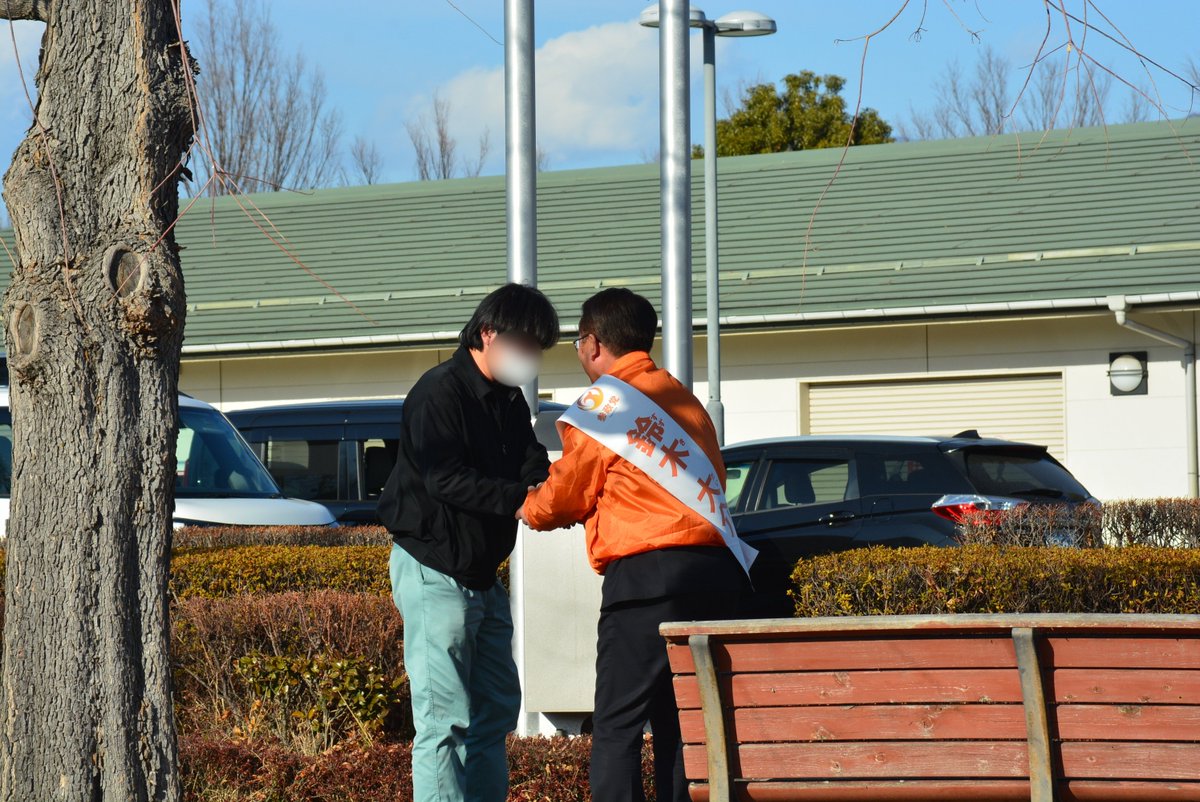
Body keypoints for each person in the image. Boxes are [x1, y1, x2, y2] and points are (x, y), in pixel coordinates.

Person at [518, 288, 754, 802]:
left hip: (647, 578)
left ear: (594, 343)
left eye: (579, 342)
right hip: (715, 574)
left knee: (618, 725)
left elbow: (568, 492)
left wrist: (528, 506)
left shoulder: (607, 403)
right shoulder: (683, 400)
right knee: (678, 723)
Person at [379, 283, 559, 802]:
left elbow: (530, 462)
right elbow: (444, 479)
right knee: (444, 720)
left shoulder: (506, 398)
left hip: (482, 576)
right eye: (525, 345)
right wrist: (520, 500)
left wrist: (548, 490)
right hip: (434, 568)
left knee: (495, 708)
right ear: (488, 333)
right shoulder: (438, 392)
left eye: (536, 350)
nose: (529, 358)